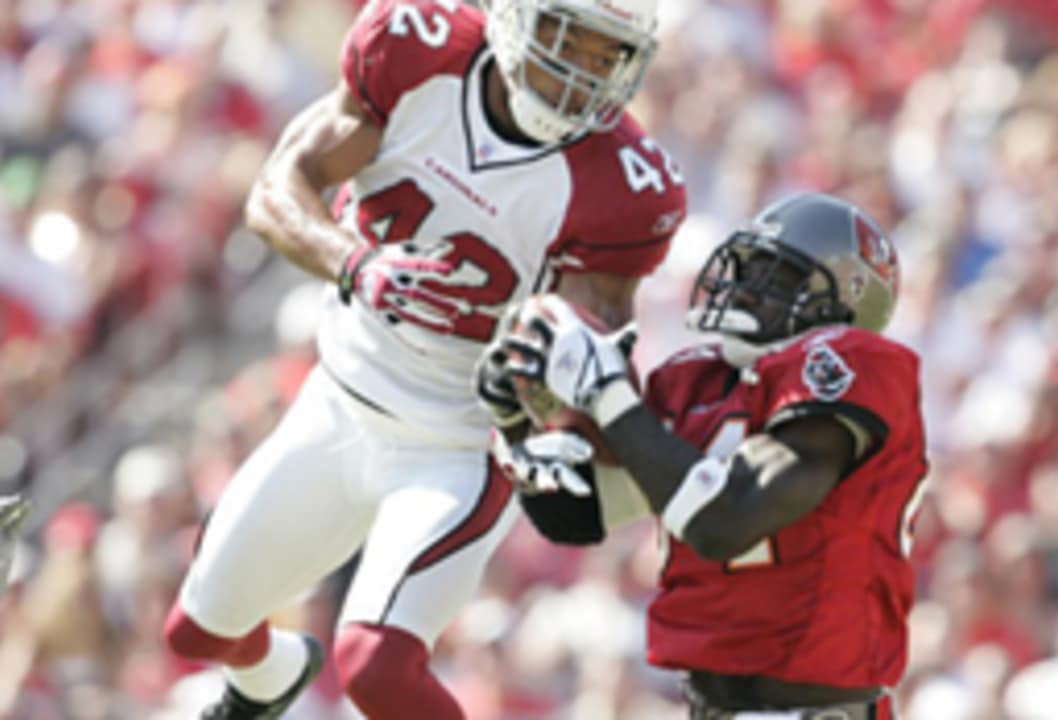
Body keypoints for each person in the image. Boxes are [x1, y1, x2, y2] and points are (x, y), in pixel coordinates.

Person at [162, 0, 686, 718]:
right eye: (570, 41)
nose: (582, 74)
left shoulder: (623, 187)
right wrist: (359, 265)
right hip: (339, 399)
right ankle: (271, 680)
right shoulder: (416, 50)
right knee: (197, 631)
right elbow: (276, 190)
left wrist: (549, 409)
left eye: (608, 57)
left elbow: (588, 350)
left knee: (377, 670)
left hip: (459, 443)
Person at [488, 193, 927, 719]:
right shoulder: (696, 379)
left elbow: (726, 520)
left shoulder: (855, 364)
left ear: (843, 302)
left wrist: (607, 394)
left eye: (776, 276)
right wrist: (516, 419)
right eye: (744, 268)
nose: (743, 290)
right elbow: (579, 517)